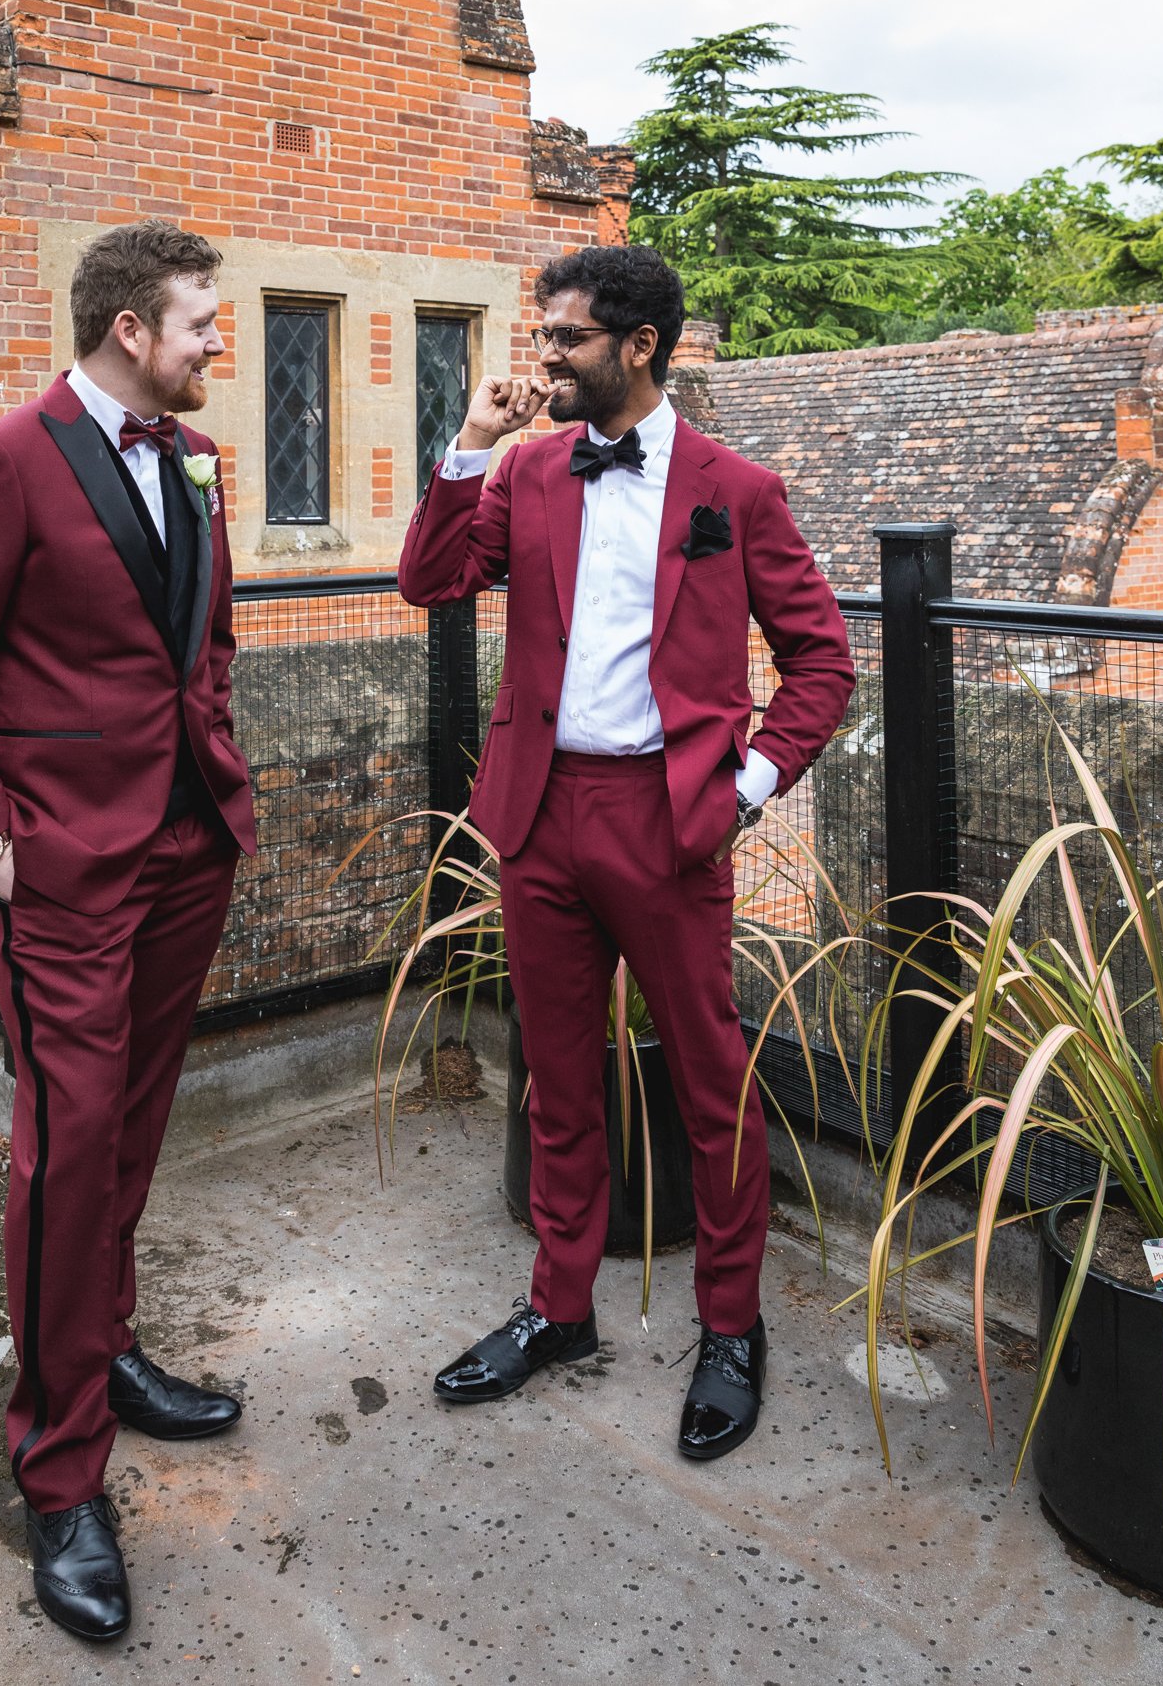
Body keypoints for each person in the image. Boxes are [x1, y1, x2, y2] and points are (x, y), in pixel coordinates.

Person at [397, 243, 853, 1460]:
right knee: (556, 1078)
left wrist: (744, 789)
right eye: (544, 333)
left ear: (639, 347)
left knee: (712, 1088)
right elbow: (429, 578)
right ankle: (559, 1309)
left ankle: (731, 1330)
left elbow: (823, 663)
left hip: (669, 823)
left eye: (568, 336)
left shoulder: (736, 490)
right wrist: (471, 442)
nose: (545, 355)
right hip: (540, 816)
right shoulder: (529, 470)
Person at [0, 219, 256, 1641]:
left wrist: (214, 759)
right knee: (71, 1140)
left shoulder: (198, 458)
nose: (222, 340)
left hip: (186, 847)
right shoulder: (1, 463)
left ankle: (105, 1350)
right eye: (203, 321)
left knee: (136, 1125)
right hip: (57, 872)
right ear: (129, 330)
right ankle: (58, 1469)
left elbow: (200, 645)